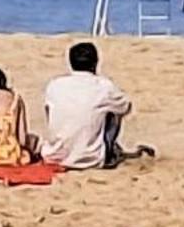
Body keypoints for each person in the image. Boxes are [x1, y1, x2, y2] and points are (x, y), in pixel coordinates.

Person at [41, 41, 150, 169]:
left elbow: (48, 112)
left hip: (55, 155)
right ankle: (108, 150)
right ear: (96, 63)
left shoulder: (55, 85)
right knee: (113, 110)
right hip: (91, 159)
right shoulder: (104, 86)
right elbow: (125, 107)